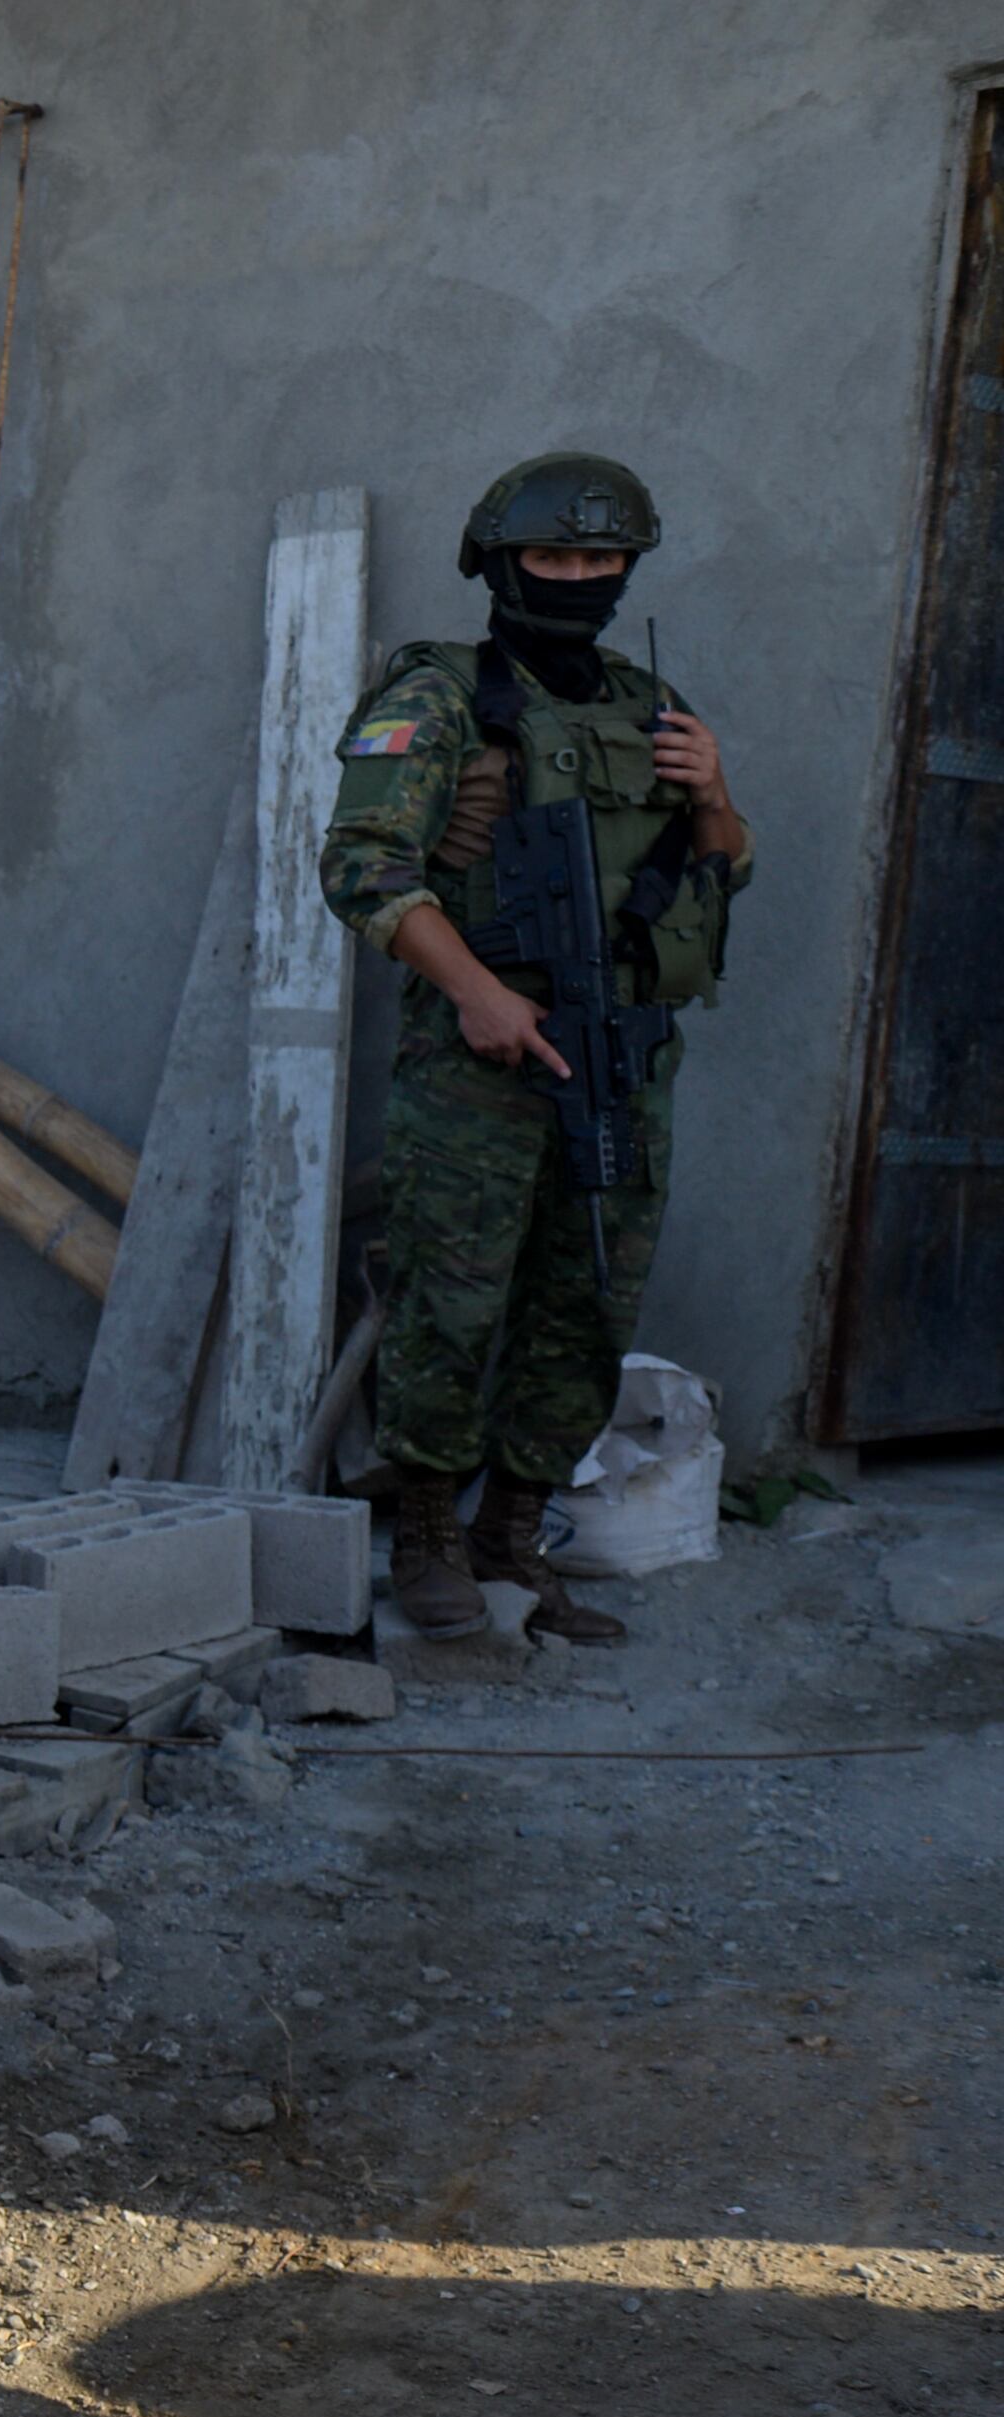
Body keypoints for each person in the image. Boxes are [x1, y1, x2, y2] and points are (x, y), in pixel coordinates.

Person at [318, 453, 746, 1644]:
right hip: (482, 1061)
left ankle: (515, 1532)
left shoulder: (644, 699)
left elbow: (719, 867)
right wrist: (471, 992)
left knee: (586, 1302)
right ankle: (423, 1537)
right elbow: (359, 865)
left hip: (622, 1056)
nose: (574, 577)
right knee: (449, 1304)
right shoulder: (438, 694)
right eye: (550, 558)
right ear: (499, 565)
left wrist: (710, 789)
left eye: (597, 559)